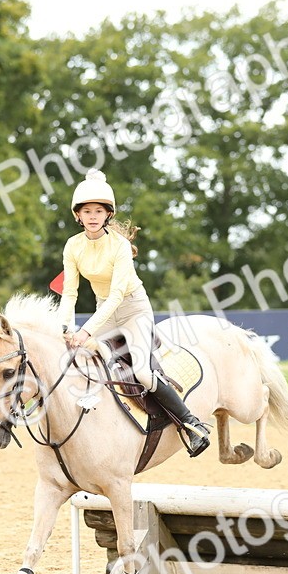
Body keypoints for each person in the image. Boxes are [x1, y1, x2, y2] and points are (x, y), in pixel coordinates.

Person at [57, 169, 210, 457]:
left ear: (108, 214)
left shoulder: (120, 246)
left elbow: (116, 295)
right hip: (104, 311)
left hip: (132, 310)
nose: (92, 216)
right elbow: (70, 293)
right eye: (86, 211)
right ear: (78, 215)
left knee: (142, 371)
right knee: (82, 363)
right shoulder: (73, 246)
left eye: (98, 211)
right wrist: (64, 326)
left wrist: (86, 331)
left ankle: (191, 423)